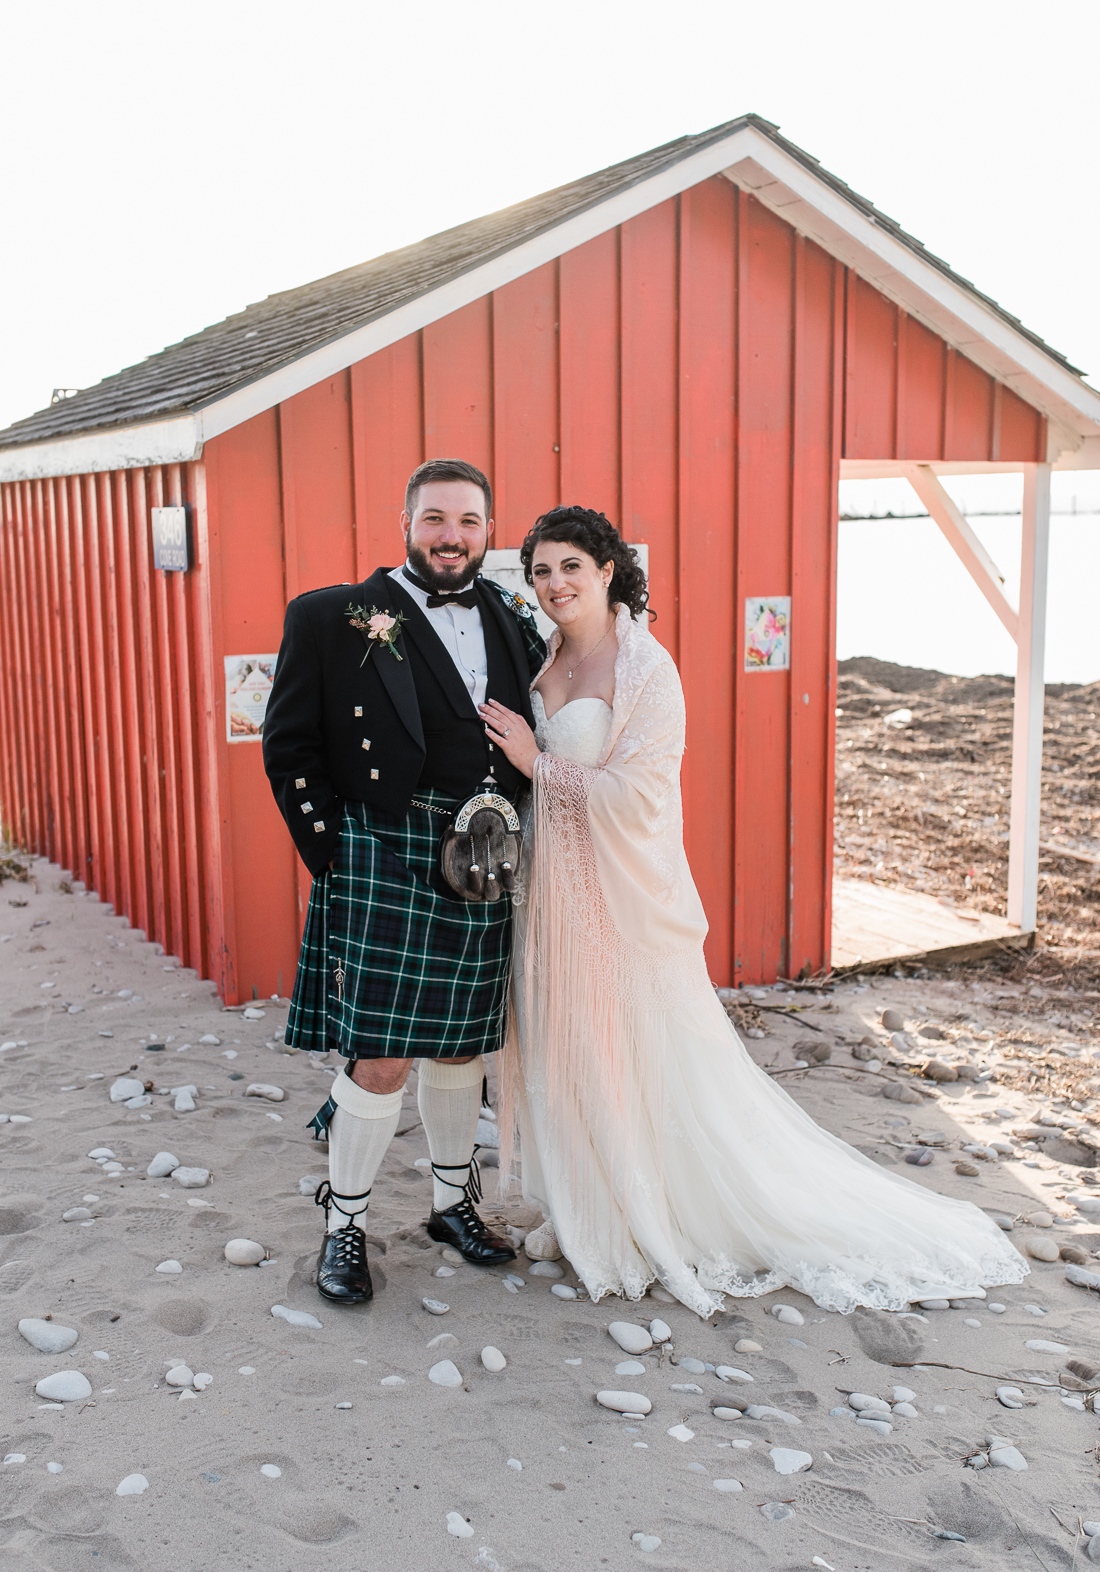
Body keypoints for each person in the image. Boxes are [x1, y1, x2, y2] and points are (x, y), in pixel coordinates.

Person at [478, 506, 1029, 1316]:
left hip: (618, 900)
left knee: (634, 1054)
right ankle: (581, 1207)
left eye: (569, 567)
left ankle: (640, 1216)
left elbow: (640, 799)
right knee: (569, 1044)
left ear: (606, 571)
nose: (553, 584)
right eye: (540, 571)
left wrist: (538, 761)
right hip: (551, 889)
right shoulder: (547, 654)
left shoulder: (645, 672)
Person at [263, 458, 545, 1303]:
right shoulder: (331, 616)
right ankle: (344, 1222)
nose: (451, 537)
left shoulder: (515, 617)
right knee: (383, 1056)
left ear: (487, 530)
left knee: (464, 1046)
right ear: (405, 522)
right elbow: (290, 747)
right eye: (434, 520)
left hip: (483, 855)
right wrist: (338, 855)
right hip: (384, 853)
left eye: (466, 521)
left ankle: (451, 1205)